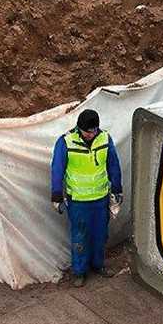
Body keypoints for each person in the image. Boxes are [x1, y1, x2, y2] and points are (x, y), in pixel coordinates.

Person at [51, 109, 123, 286]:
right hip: (78, 201)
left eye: (94, 131)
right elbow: (57, 169)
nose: (91, 134)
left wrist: (117, 190)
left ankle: (98, 265)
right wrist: (56, 195)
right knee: (80, 237)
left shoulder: (105, 139)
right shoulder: (66, 142)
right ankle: (79, 272)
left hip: (100, 199)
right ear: (79, 128)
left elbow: (113, 165)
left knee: (100, 235)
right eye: (88, 131)